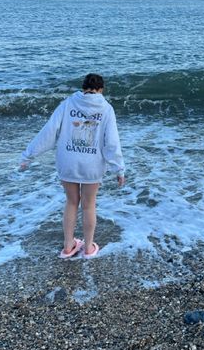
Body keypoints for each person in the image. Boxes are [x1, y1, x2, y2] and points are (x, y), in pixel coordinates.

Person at [20, 73, 125, 259]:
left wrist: (28, 156)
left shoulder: (68, 103)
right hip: (92, 164)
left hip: (68, 161)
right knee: (88, 205)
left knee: (71, 202)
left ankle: (68, 246)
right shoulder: (106, 109)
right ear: (101, 89)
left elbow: (49, 131)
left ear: (83, 87)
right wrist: (119, 168)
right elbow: (112, 142)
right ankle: (89, 248)